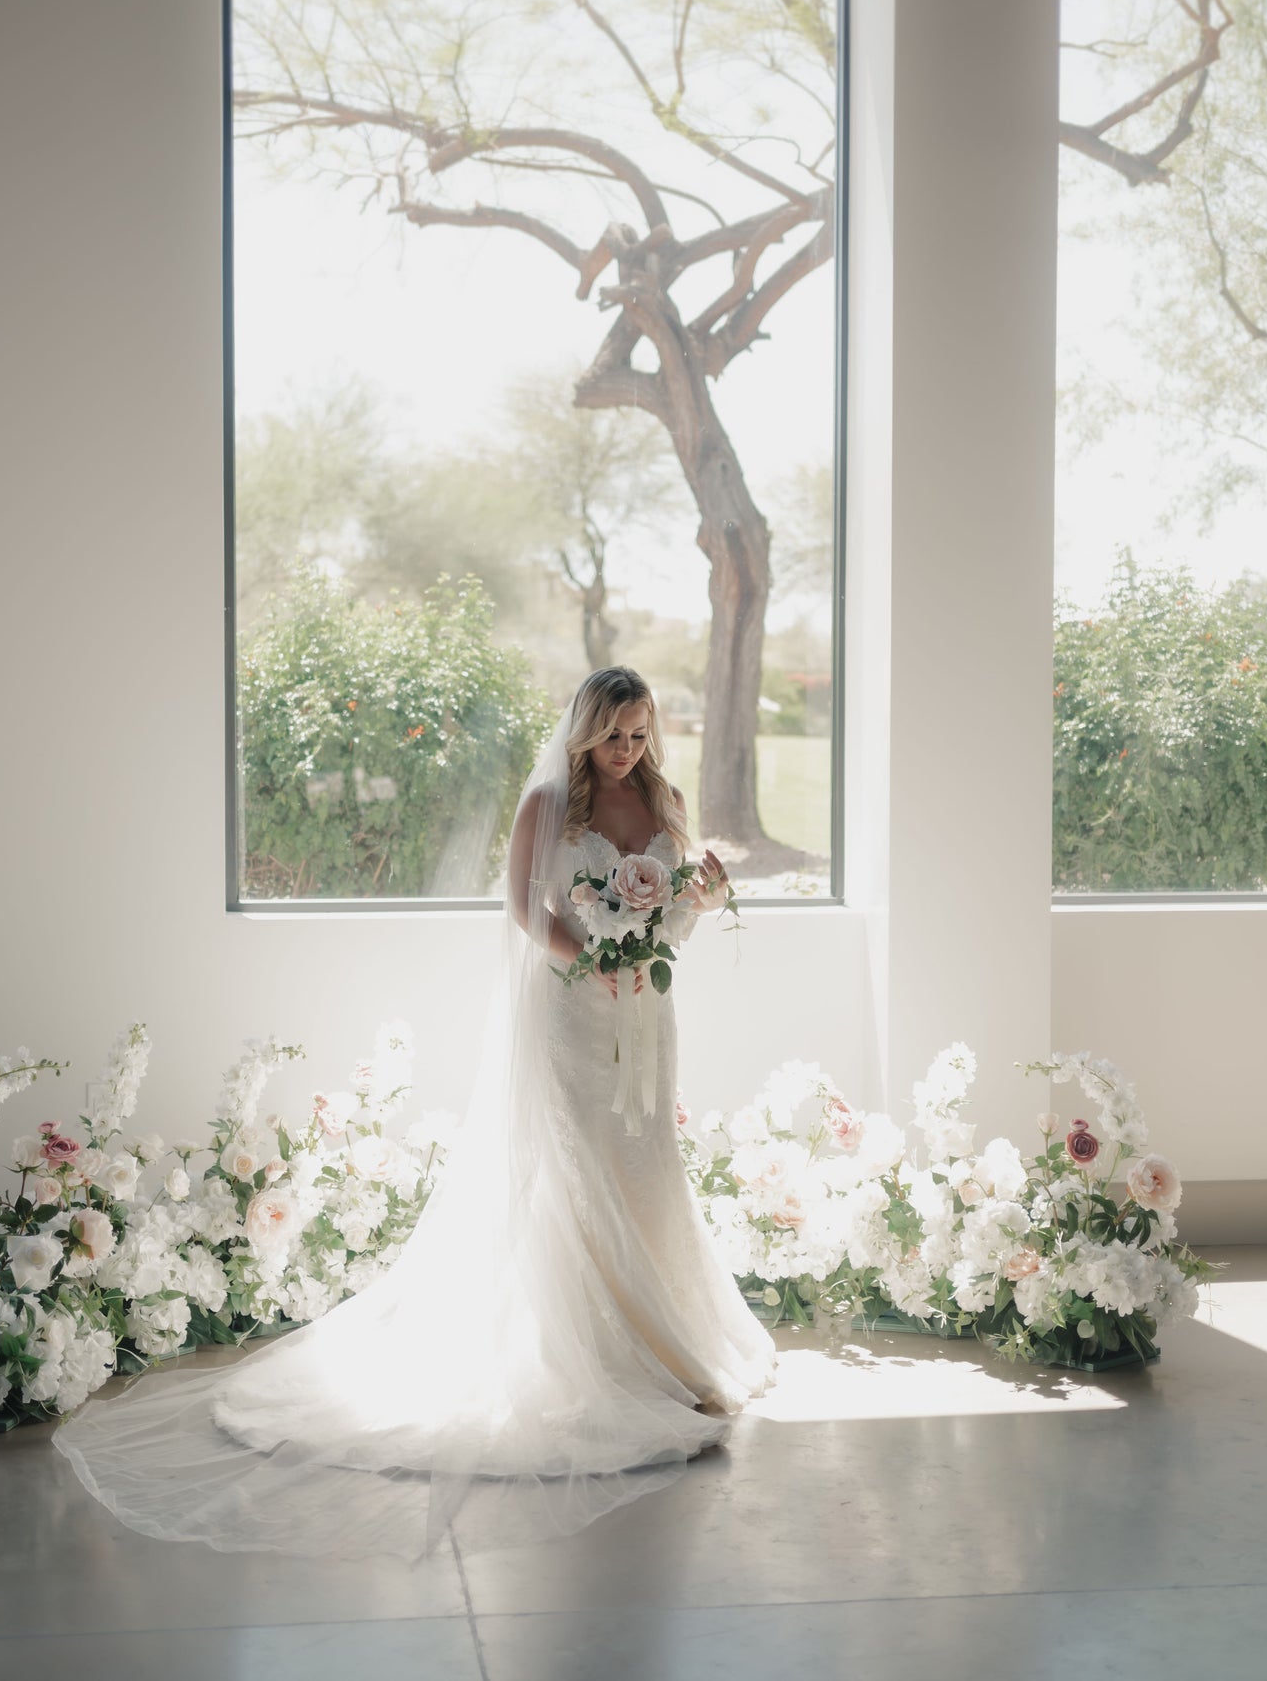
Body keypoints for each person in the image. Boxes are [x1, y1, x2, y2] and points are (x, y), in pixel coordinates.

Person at [52, 667, 776, 1563]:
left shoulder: (662, 800)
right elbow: (521, 908)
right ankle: (601, 1354)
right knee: (575, 1170)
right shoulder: (550, 803)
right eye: (613, 734)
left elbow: (670, 924)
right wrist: (589, 961)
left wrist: (697, 901)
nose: (627, 750)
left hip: (645, 1013)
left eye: (639, 732)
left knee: (644, 1162)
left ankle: (664, 1342)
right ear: (584, 731)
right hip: (573, 1013)